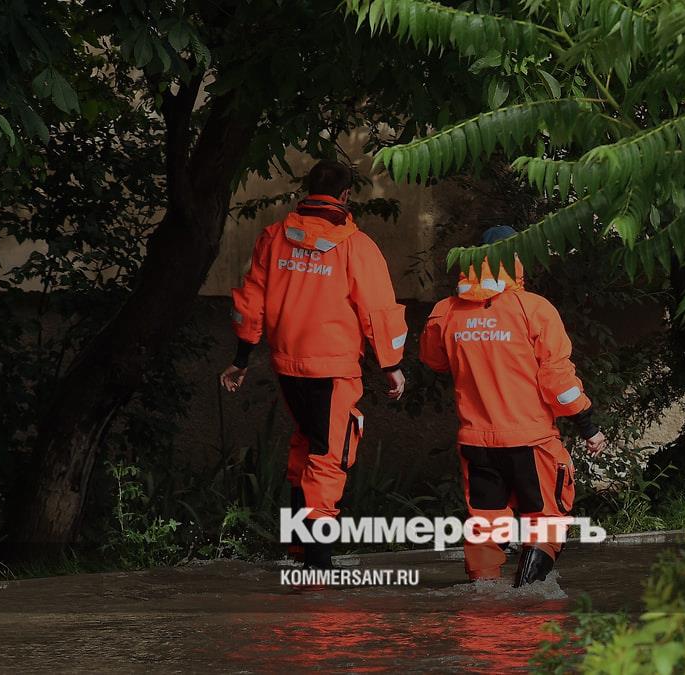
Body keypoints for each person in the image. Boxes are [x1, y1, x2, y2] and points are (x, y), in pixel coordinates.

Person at [219, 159, 407, 570]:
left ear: (308, 189)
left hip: (288, 366)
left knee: (306, 446)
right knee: (327, 457)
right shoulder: (357, 246)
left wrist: (241, 358)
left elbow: (251, 299)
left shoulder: (273, 237)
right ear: (345, 195)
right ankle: (317, 568)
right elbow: (378, 310)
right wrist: (391, 365)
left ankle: (300, 551)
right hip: (333, 369)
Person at [419, 226, 606, 587]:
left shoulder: (446, 311)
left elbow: (433, 360)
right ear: (516, 259)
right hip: (530, 440)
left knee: (486, 524)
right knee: (546, 520)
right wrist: (588, 425)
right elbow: (558, 382)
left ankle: (483, 598)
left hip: (476, 442)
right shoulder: (534, 309)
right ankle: (528, 600)